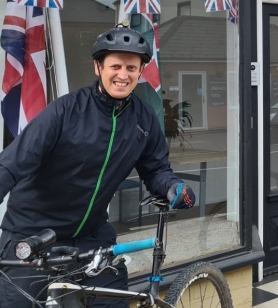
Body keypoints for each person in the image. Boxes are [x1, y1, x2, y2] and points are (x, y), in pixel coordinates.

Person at [0, 24, 197, 306]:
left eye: (132, 68)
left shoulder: (143, 119)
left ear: (140, 72)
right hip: (34, 233)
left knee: (111, 302)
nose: (123, 74)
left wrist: (173, 187)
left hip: (92, 236)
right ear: (98, 67)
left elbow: (155, 170)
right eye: (115, 66)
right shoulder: (65, 111)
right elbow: (11, 165)